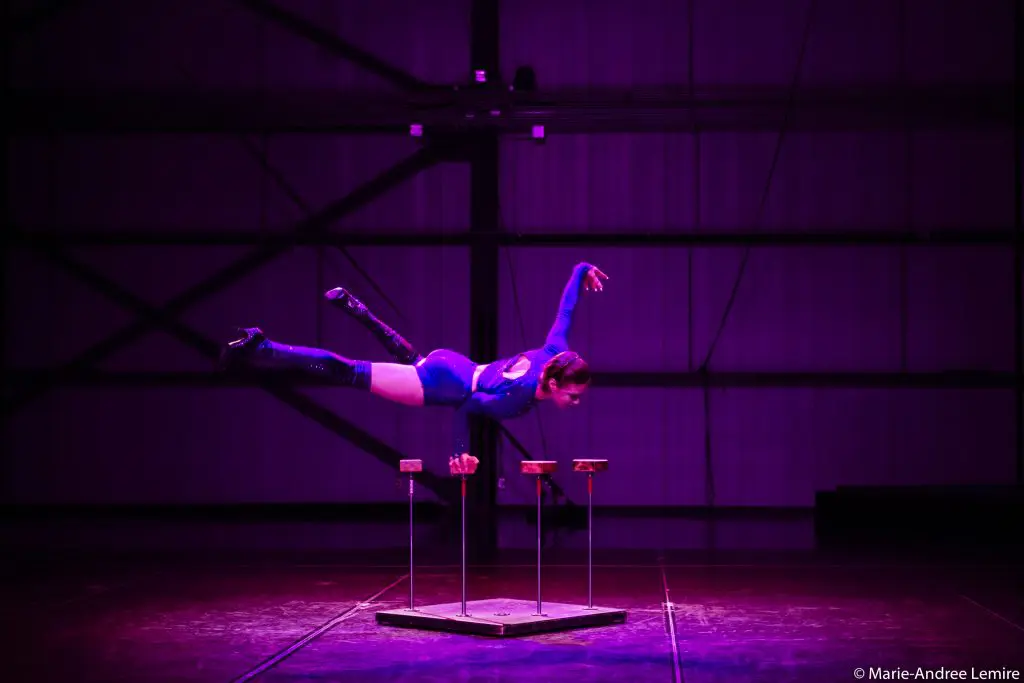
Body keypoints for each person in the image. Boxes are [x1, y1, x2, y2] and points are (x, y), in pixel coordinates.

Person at [220, 261, 608, 476]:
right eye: (572, 396)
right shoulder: (519, 396)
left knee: (411, 361)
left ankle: (357, 310)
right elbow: (468, 408)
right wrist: (459, 453)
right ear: (554, 383)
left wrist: (580, 269)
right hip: (442, 384)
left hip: (455, 362)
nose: (575, 403)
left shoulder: (555, 350)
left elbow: (567, 308)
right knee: (350, 372)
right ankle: (263, 345)